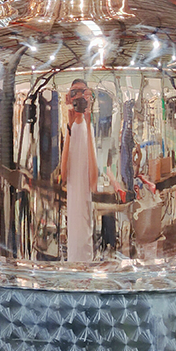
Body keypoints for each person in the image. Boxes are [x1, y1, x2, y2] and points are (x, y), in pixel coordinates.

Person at [60, 79, 98, 262]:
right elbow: (63, 175)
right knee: (74, 250)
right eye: (74, 93)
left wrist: (88, 124)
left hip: (86, 202)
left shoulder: (89, 128)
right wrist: (69, 125)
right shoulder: (68, 127)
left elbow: (93, 181)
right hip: (73, 203)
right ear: (69, 97)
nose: (78, 97)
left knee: (85, 247)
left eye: (83, 92)